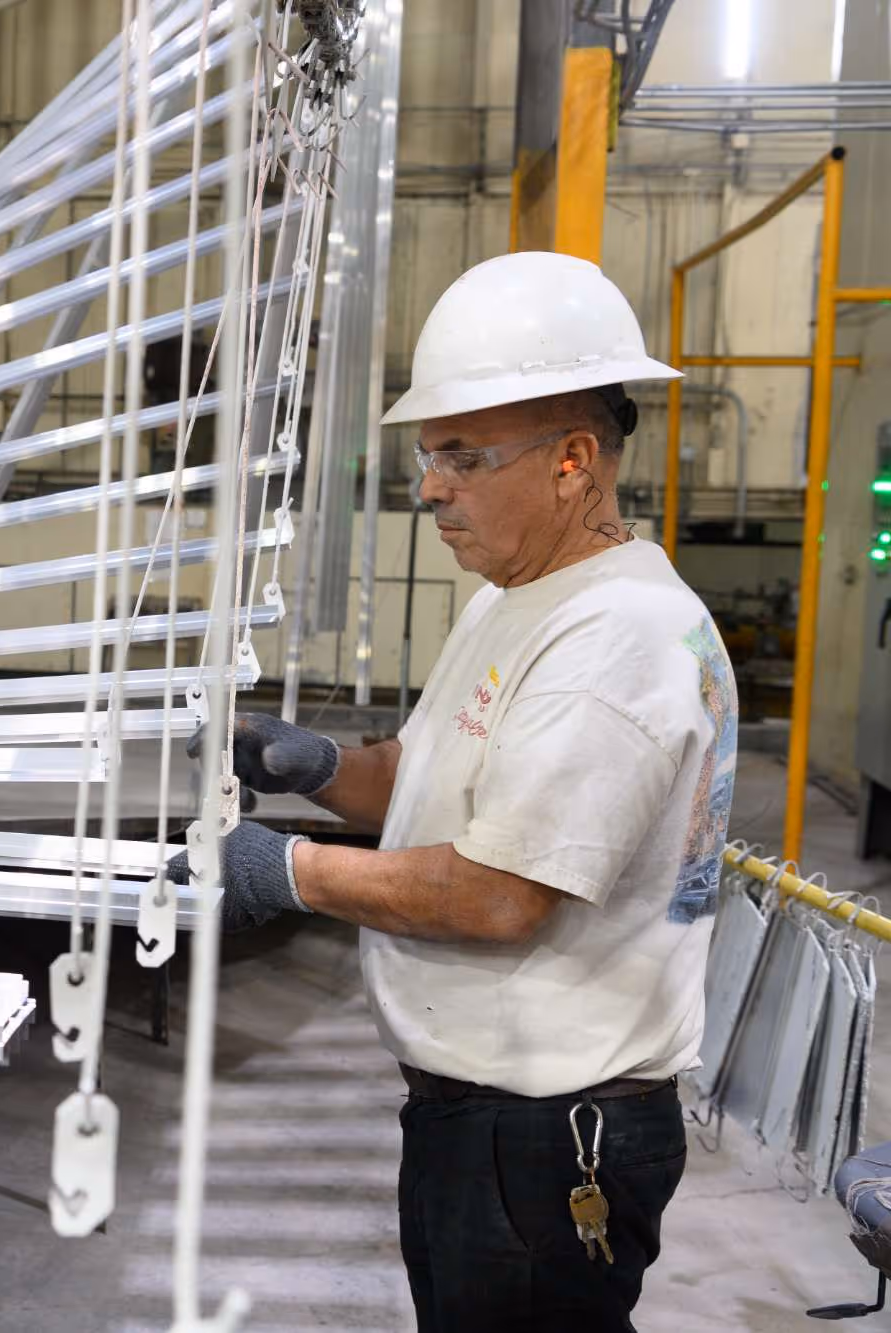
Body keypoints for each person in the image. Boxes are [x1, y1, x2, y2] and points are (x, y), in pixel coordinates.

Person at [174, 252, 740, 1332]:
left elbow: (497, 890)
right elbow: (447, 786)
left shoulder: (612, 639)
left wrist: (281, 870)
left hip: (545, 1131)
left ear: (573, 460)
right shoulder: (523, 592)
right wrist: (327, 767)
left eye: (461, 457)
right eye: (429, 455)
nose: (429, 487)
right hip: (485, 1120)